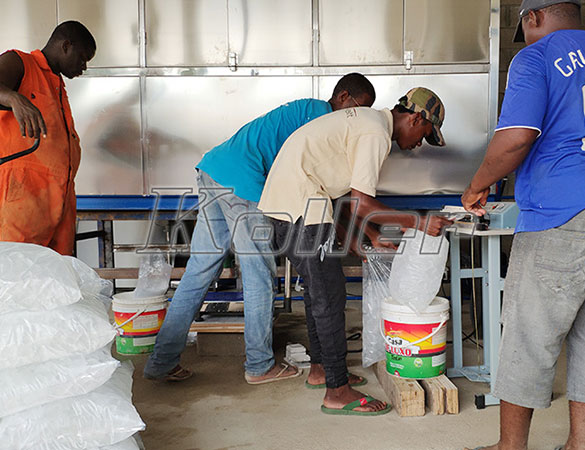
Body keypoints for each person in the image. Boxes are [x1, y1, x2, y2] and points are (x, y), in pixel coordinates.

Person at [144, 73, 376, 384]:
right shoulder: (321, 117)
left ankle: (161, 362)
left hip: (214, 170)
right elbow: (301, 172)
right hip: (242, 182)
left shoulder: (305, 110)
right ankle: (259, 364)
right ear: (343, 97)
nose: (356, 117)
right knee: (259, 274)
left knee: (198, 272)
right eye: (357, 108)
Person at [258, 87, 453, 415]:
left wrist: (367, 239)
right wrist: (419, 222)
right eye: (424, 134)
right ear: (416, 117)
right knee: (330, 297)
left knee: (317, 294)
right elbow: (362, 202)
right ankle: (337, 391)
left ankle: (322, 371)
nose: (419, 142)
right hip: (303, 208)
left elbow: (347, 199)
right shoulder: (375, 132)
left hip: (287, 209)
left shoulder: (366, 122)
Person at [461, 1, 585, 449]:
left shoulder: (535, 57)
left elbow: (517, 136)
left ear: (533, 16)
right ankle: (580, 445)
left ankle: (510, 447)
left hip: (562, 212)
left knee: (527, 335)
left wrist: (478, 185)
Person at [0, 21, 96, 256]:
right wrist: (14, 99)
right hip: (23, 202)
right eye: (82, 58)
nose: (84, 67)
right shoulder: (20, 62)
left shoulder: (56, 85)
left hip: (58, 205)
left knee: (56, 282)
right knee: (18, 277)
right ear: (66, 46)